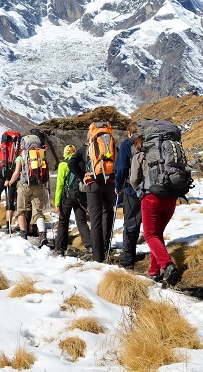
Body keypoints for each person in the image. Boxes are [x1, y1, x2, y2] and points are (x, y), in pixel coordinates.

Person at [129, 133, 180, 286]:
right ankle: (153, 271)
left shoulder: (139, 156)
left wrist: (139, 190)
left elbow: (133, 179)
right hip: (170, 198)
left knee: (150, 235)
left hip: (151, 198)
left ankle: (167, 265)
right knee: (157, 234)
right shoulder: (166, 154)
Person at [68, 122, 117, 263]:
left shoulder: (86, 147)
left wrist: (83, 176)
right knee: (107, 214)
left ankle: (97, 256)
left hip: (93, 183)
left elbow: (72, 163)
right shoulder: (112, 144)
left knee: (95, 219)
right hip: (110, 183)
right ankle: (107, 248)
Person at [6, 139, 48, 246]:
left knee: (21, 210)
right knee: (38, 212)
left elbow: (16, 173)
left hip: (24, 186)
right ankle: (42, 235)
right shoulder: (40, 154)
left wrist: (10, 182)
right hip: (38, 186)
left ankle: (23, 234)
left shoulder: (21, 157)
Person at [54, 144, 91, 256]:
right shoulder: (80, 163)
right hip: (80, 196)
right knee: (81, 221)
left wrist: (57, 203)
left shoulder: (63, 165)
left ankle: (61, 248)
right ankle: (89, 246)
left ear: (65, 153)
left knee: (63, 222)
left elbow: (59, 185)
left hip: (67, 197)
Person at [114, 121, 142, 268]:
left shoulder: (126, 144)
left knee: (130, 223)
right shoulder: (149, 143)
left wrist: (118, 186)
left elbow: (121, 168)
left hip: (131, 189)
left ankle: (128, 258)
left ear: (129, 133)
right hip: (150, 189)